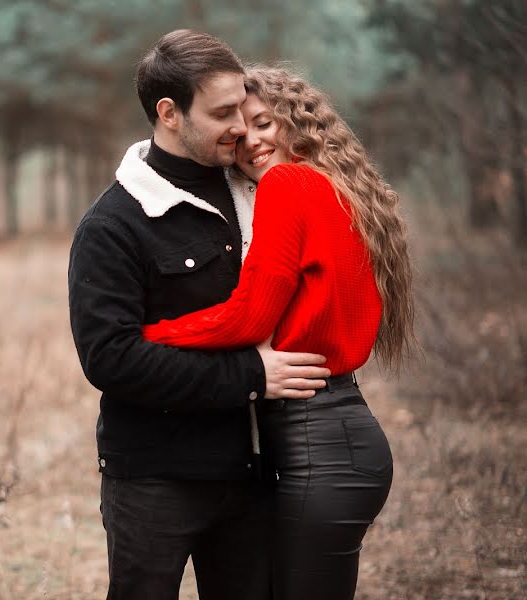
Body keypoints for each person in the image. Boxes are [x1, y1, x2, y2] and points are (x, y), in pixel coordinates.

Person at [67, 31, 332, 600]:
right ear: (169, 113)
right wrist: (250, 377)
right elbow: (110, 359)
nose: (240, 124)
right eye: (221, 112)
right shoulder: (112, 226)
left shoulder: (258, 193)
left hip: (256, 471)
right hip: (153, 477)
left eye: (242, 104)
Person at [142, 66, 416, 600]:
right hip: (338, 437)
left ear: (298, 125)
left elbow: (249, 317)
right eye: (240, 133)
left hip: (321, 445)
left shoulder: (289, 186)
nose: (253, 141)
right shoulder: (334, 189)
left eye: (265, 123)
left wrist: (151, 334)